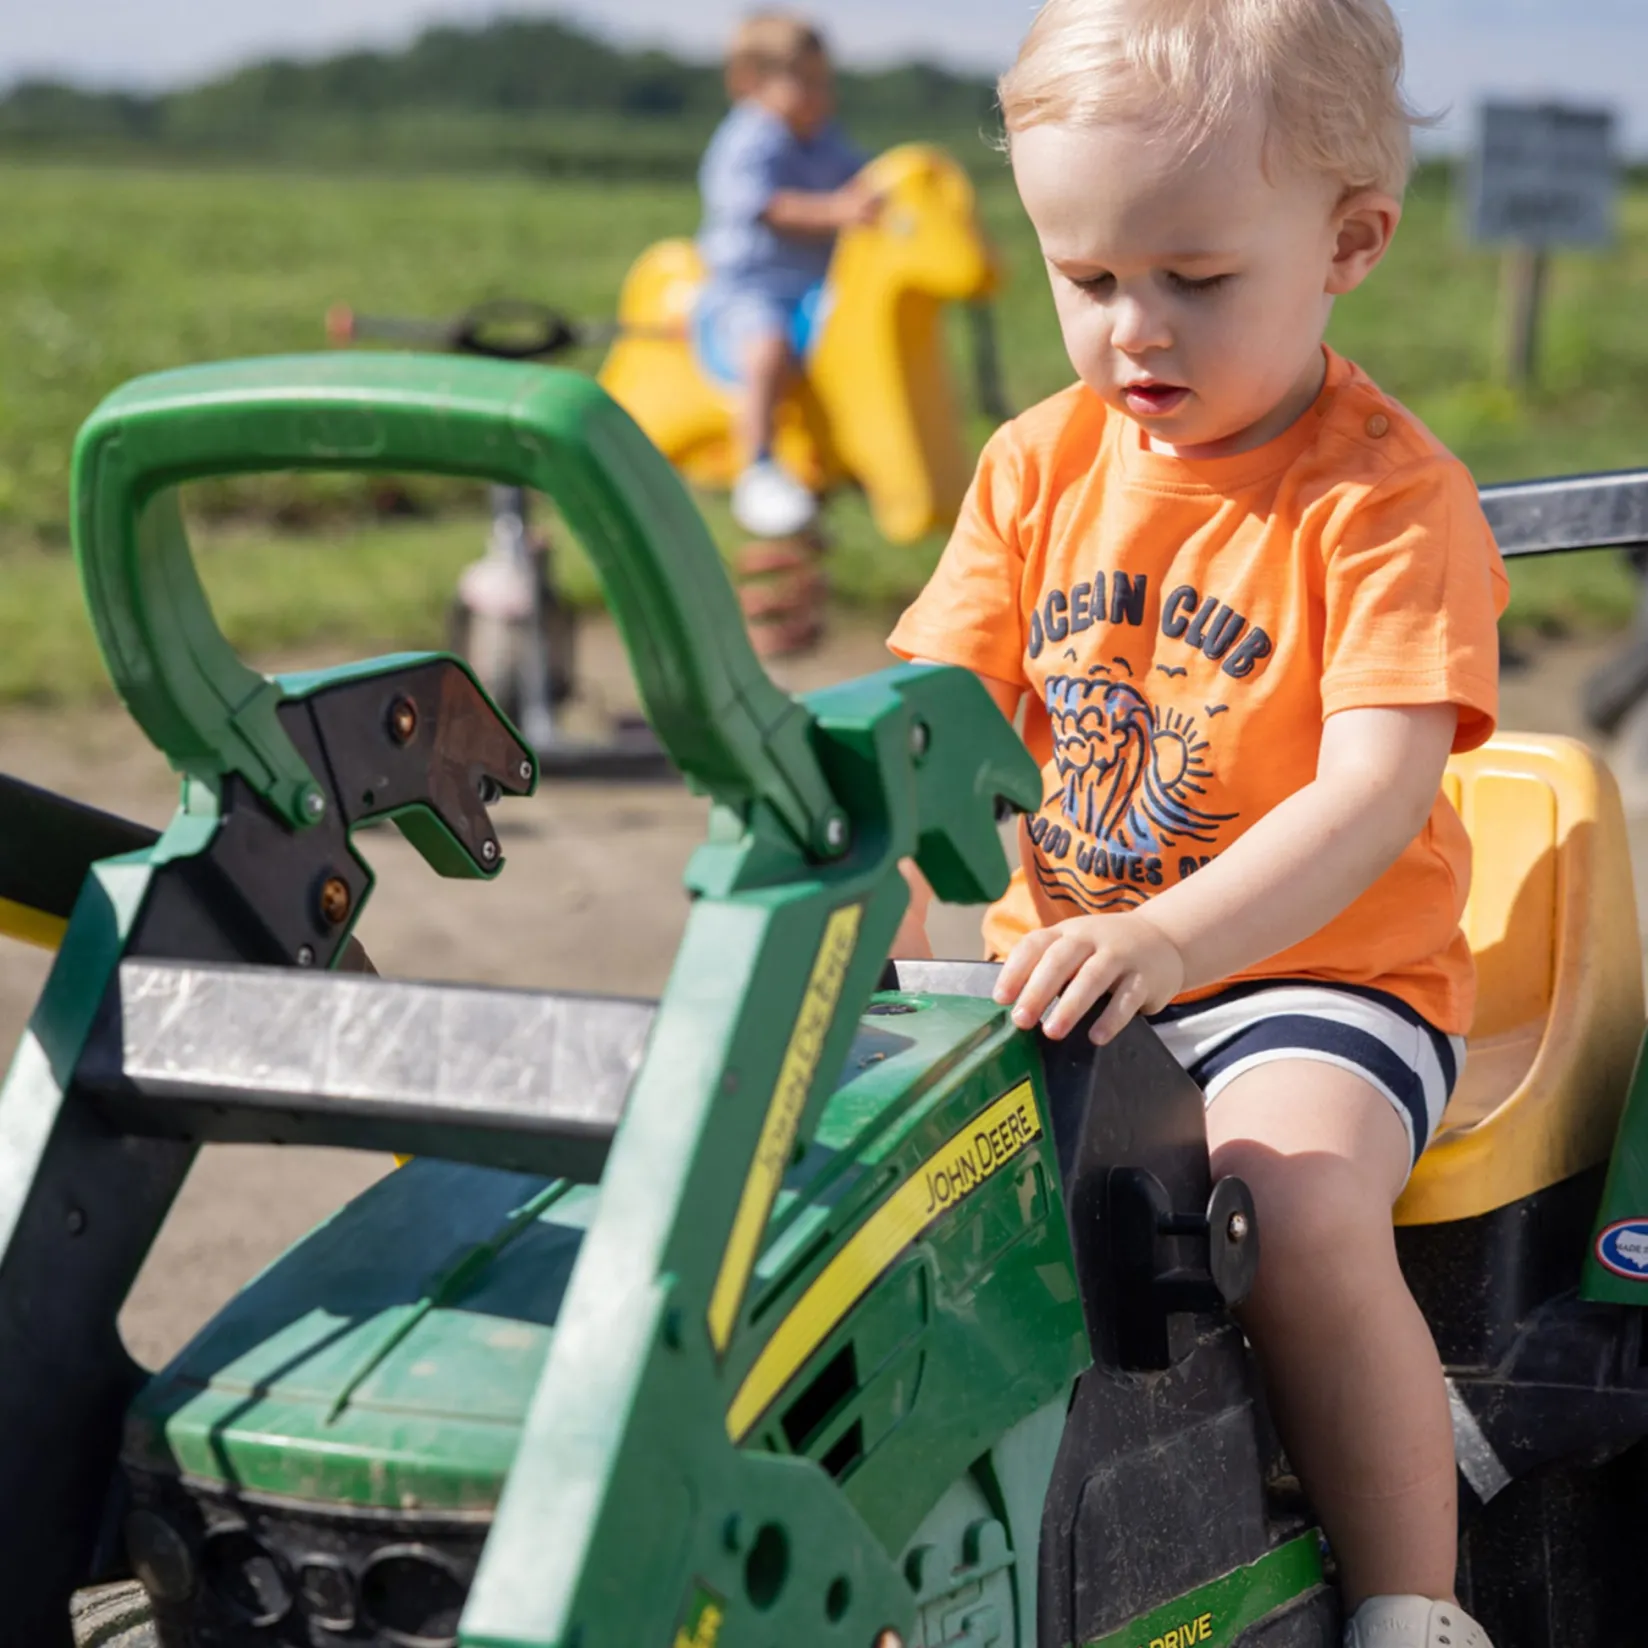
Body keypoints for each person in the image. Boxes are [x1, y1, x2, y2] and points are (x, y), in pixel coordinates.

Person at [887, 3, 1505, 1645]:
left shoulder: (1385, 502)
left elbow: (1372, 793)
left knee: (1285, 1204)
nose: (1133, 330)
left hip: (1314, 980)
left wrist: (1169, 937)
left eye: (1195, 278)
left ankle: (1411, 1595)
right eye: (1086, 278)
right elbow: (929, 731)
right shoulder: (1034, 469)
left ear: (1348, 244)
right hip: (1065, 980)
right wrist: (866, 884)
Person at [695, 12, 881, 538]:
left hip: (814, 288)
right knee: (768, 348)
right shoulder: (751, 137)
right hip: (752, 289)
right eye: (805, 81)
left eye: (825, 81)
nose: (821, 96)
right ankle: (756, 467)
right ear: (751, 82)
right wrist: (837, 211)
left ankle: (854, 453)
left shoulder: (824, 138)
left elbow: (865, 178)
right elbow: (764, 205)